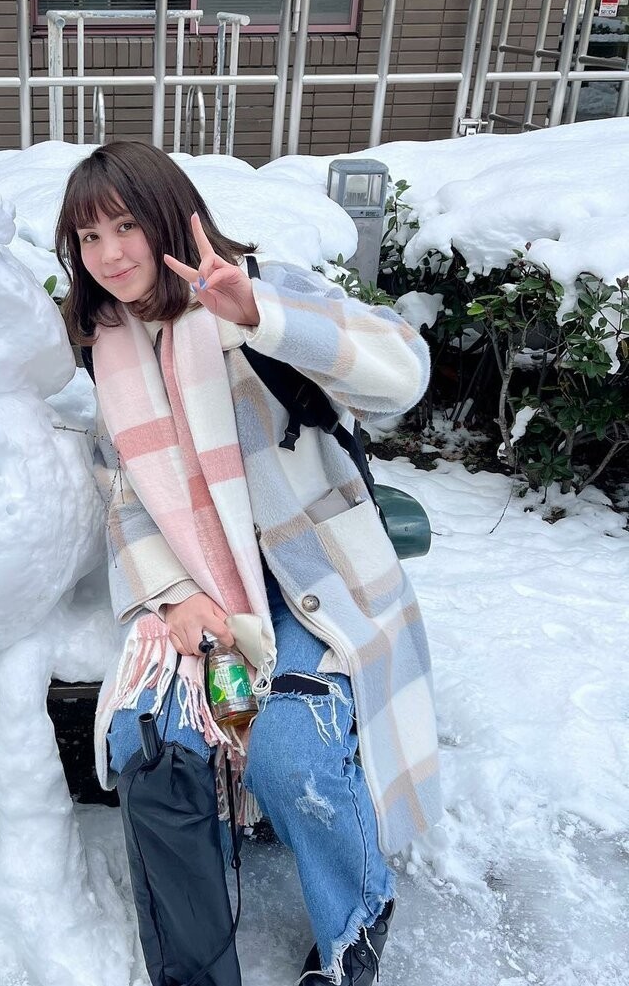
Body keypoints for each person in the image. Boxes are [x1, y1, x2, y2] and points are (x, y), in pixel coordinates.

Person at [54, 140, 442, 986]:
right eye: (89, 237)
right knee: (152, 745)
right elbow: (125, 492)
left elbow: (403, 373)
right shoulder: (111, 346)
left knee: (289, 753)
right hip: (203, 585)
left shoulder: (257, 288)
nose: (110, 254)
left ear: (169, 215)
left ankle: (358, 916)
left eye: (125, 225)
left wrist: (260, 313)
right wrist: (171, 595)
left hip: (316, 578)